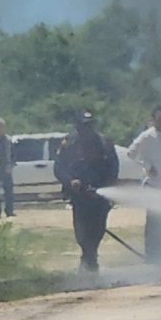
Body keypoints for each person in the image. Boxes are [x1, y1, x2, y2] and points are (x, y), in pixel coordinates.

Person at [54, 111, 120, 272]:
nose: (87, 130)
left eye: (90, 125)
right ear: (78, 127)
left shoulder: (105, 143)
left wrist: (105, 187)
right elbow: (59, 168)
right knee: (82, 231)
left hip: (99, 195)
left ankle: (91, 257)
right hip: (80, 196)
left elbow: (113, 168)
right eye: (84, 126)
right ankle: (88, 257)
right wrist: (70, 181)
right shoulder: (69, 144)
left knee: (98, 229)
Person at [128, 105, 161, 262]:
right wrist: (147, 166)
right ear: (153, 120)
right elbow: (131, 153)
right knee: (153, 222)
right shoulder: (147, 136)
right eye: (160, 119)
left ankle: (158, 252)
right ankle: (151, 254)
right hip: (153, 185)